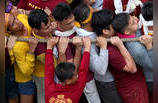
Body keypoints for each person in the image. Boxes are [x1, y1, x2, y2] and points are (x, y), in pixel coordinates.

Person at [112, 12, 152, 103]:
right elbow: (152, 65)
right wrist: (149, 46)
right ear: (126, 32)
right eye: (132, 22)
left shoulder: (131, 31)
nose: (135, 19)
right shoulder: (135, 49)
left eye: (133, 17)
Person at [45, 36, 91, 103]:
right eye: (75, 75)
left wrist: (49, 48)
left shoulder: (50, 88)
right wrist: (87, 48)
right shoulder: (76, 89)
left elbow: (48, 70)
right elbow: (83, 70)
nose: (77, 76)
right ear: (67, 81)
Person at [90, 9, 123, 103]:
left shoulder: (114, 35)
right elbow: (101, 70)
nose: (117, 23)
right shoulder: (92, 42)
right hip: (107, 84)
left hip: (118, 80)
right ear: (105, 31)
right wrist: (104, 47)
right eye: (114, 23)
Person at [28, 9, 57, 103]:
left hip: (51, 73)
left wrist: (52, 29)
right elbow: (54, 62)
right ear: (36, 30)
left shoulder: (44, 31)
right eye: (46, 28)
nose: (50, 28)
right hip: (43, 77)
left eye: (49, 25)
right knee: (44, 98)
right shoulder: (37, 46)